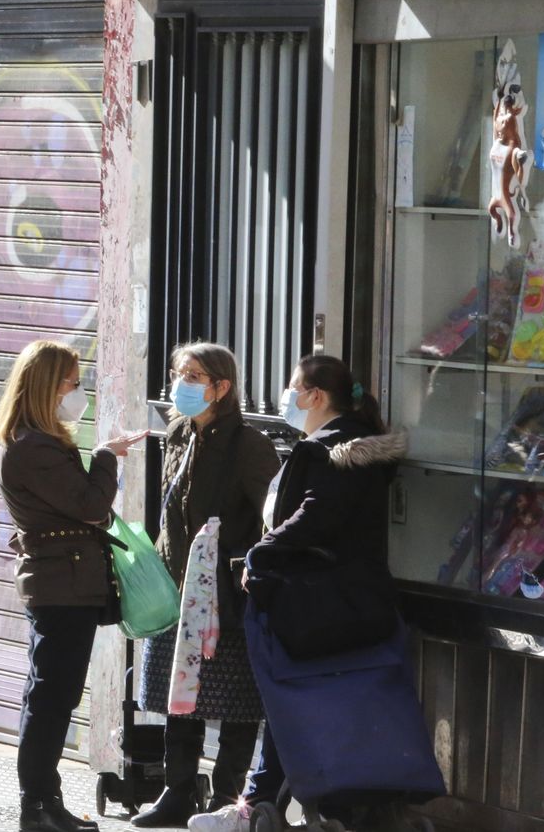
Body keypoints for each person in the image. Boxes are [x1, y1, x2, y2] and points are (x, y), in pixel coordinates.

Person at [188, 354, 407, 832]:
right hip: (355, 600)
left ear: (315, 396)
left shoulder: (327, 450)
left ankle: (257, 805)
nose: (288, 397)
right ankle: (276, 801)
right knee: (316, 705)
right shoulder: (359, 447)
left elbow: (315, 516)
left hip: (315, 602)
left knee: (290, 702)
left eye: (293, 387)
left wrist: (259, 554)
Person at [0, 340, 146, 832]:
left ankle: (45, 803)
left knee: (51, 695)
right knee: (51, 697)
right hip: (61, 586)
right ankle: (37, 806)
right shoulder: (33, 448)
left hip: (65, 581)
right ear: (46, 386)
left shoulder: (36, 442)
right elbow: (90, 506)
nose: (78, 393)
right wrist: (105, 457)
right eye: (72, 383)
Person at [132, 343, 279, 828]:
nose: (182, 384)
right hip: (179, 584)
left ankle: (227, 797)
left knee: (234, 696)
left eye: (195, 376)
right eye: (179, 373)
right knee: (180, 692)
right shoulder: (177, 433)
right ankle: (177, 790)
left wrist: (247, 567)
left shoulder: (250, 445)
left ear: (222, 387)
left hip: (226, 592)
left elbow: (270, 516)